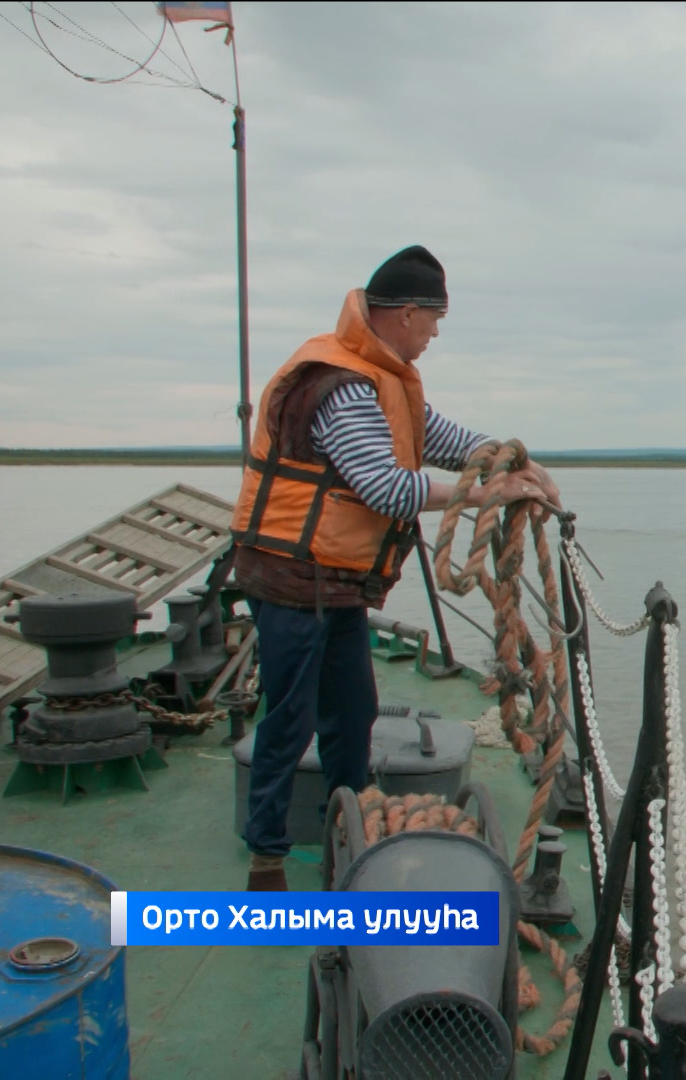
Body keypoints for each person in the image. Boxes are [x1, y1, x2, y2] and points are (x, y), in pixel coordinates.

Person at [230, 245, 558, 891]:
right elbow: (387, 488)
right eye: (434, 321)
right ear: (407, 314)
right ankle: (267, 858)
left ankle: (350, 828)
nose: (436, 335)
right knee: (288, 718)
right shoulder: (342, 383)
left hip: (338, 581)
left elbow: (438, 438)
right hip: (295, 580)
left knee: (353, 710)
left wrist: (507, 462)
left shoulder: (379, 374)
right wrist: (489, 494)